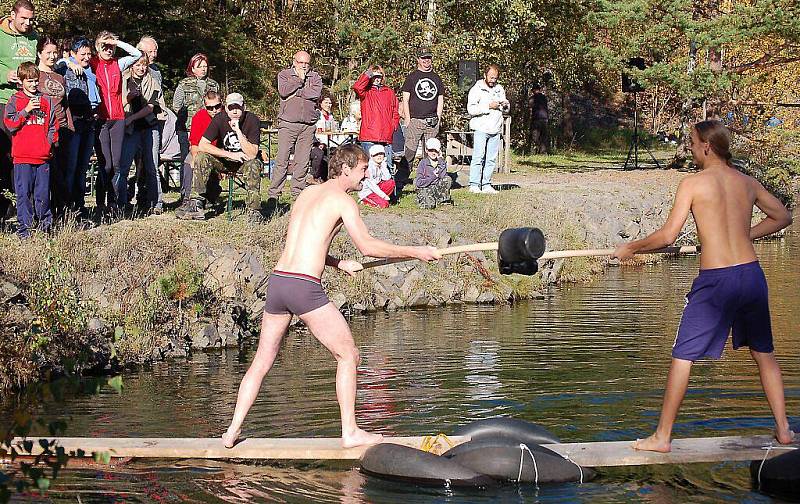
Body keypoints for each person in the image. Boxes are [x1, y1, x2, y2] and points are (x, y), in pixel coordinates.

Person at [221, 144, 440, 449]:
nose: (366, 175)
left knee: (261, 361)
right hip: (303, 288)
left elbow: (306, 243)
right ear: (346, 169)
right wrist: (416, 252)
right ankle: (350, 432)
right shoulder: (344, 201)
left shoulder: (308, 194)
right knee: (348, 355)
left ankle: (231, 431)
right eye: (363, 169)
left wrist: (337, 263)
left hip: (279, 281)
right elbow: (367, 245)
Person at [612, 121, 795, 453]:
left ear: (707, 146)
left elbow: (668, 236)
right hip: (751, 275)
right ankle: (784, 430)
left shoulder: (693, 184)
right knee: (764, 354)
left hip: (717, 281)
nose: (691, 149)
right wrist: (745, 235)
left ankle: (662, 437)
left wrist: (632, 248)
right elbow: (783, 217)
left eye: (693, 144)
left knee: (683, 355)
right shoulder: (747, 182)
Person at [182, 92, 262, 221]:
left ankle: (254, 210)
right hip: (224, 160)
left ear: (244, 107)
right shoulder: (219, 118)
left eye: (238, 107)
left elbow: (252, 153)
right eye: (231, 108)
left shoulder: (252, 120)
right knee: (201, 157)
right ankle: (196, 204)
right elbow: (202, 145)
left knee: (254, 164)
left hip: (245, 161)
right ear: (226, 108)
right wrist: (230, 154)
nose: (235, 111)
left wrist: (238, 131)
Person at [90, 31, 142, 214]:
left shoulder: (118, 64)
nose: (108, 50)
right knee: (106, 164)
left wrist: (117, 42)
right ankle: (100, 201)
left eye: (111, 47)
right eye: (104, 46)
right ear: (97, 47)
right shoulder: (93, 63)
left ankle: (112, 201)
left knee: (117, 163)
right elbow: (71, 60)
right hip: (101, 119)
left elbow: (137, 54)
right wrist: (100, 43)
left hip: (118, 118)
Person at [4, 62, 56, 238]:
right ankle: (24, 231)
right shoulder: (15, 100)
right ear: (21, 81)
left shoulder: (46, 100)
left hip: (42, 157)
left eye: (36, 81)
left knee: (42, 195)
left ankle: (45, 229)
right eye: (29, 81)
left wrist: (48, 144)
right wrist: (26, 111)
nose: (33, 85)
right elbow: (10, 124)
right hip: (22, 157)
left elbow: (52, 126)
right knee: (23, 195)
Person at [268, 50, 322, 206]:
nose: (304, 66)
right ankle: (274, 193)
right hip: (288, 123)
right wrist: (299, 80)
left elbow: (315, 93)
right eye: (301, 62)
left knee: (303, 160)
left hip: (308, 125)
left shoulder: (315, 77)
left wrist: (298, 92)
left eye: (306, 63)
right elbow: (283, 91)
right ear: (294, 61)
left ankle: (297, 192)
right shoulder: (284, 75)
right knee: (282, 159)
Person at [0, 0, 37, 220]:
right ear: (12, 15)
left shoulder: (33, 37)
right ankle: (3, 208)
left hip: (28, 103)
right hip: (4, 101)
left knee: (23, 156)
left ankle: (23, 206)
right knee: (4, 155)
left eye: (31, 19)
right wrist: (3, 76)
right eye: (23, 18)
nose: (27, 22)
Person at [118, 53, 167, 213]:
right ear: (132, 65)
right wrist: (128, 101)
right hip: (129, 130)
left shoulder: (152, 83)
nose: (141, 68)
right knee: (124, 167)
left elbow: (150, 107)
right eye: (138, 64)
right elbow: (118, 102)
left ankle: (157, 203)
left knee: (152, 166)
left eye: (144, 65)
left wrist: (131, 118)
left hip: (148, 127)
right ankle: (122, 202)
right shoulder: (122, 80)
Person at [59, 36, 99, 216]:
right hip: (72, 123)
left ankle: (80, 205)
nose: (86, 57)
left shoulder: (90, 70)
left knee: (82, 167)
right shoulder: (65, 68)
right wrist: (67, 60)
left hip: (88, 122)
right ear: (74, 53)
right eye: (82, 54)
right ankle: (66, 206)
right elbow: (54, 64)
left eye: (89, 54)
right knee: (71, 166)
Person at [173, 53, 219, 198]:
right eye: (200, 67)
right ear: (192, 68)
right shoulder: (184, 84)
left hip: (208, 130)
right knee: (187, 161)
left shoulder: (213, 85)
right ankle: (185, 194)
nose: (203, 69)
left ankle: (207, 193)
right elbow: (176, 105)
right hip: (186, 129)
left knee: (207, 160)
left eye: (205, 66)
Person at [36, 35, 72, 215]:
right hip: (43, 131)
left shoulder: (60, 77)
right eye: (48, 53)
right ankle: (42, 213)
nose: (52, 56)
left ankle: (62, 213)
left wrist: (69, 127)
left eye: (54, 52)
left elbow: (64, 104)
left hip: (63, 128)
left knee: (61, 174)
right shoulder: (34, 75)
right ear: (39, 53)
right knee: (46, 175)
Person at [400, 48, 444, 187]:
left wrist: (438, 117)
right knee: (409, 152)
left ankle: (429, 181)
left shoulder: (436, 78)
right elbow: (405, 99)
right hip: (415, 121)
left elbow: (440, 99)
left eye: (429, 58)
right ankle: (400, 182)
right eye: (423, 58)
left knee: (430, 153)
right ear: (418, 59)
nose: (426, 60)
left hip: (432, 122)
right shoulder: (412, 77)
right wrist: (407, 118)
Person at [175, 91, 222, 220]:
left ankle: (207, 195)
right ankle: (188, 199)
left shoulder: (226, 117)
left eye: (217, 106)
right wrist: (196, 160)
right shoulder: (199, 117)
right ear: (204, 106)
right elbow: (194, 144)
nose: (214, 110)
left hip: (221, 155)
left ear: (221, 104)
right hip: (202, 152)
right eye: (210, 108)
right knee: (190, 160)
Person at [467, 64, 508, 195]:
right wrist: (488, 106)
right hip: (480, 128)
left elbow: (505, 107)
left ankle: (486, 184)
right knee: (478, 157)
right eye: (491, 77)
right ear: (485, 75)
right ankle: (474, 184)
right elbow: (471, 109)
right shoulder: (476, 89)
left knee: (491, 159)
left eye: (495, 78)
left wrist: (505, 105)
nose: (493, 80)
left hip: (495, 129)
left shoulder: (499, 89)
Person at [352, 65, 399, 171]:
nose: (377, 79)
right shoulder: (365, 92)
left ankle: (389, 188)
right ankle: (370, 188)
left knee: (387, 167)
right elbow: (357, 87)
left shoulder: (389, 92)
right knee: (369, 167)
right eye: (374, 76)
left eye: (379, 76)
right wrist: (367, 74)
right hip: (369, 135)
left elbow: (395, 111)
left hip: (386, 135)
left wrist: (393, 126)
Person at [414, 137, 451, 209]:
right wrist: (432, 178)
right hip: (426, 187)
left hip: (436, 187)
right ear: (426, 150)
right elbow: (418, 182)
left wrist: (440, 159)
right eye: (431, 150)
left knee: (447, 179)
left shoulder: (441, 162)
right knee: (429, 206)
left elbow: (443, 176)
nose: (433, 153)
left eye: (436, 151)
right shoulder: (423, 163)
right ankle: (423, 199)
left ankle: (443, 200)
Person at [309, 94, 338, 183]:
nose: (328, 105)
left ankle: (331, 177)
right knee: (319, 153)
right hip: (317, 143)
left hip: (330, 142)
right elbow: (311, 129)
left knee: (337, 153)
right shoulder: (316, 115)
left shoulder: (331, 117)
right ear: (320, 103)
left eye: (330, 103)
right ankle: (314, 176)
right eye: (326, 102)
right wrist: (317, 143)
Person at [358, 144, 395, 208]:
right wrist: (383, 196)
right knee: (384, 205)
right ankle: (365, 200)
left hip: (376, 188)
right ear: (371, 156)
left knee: (391, 182)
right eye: (376, 155)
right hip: (368, 192)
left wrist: (383, 165)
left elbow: (387, 178)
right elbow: (372, 185)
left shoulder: (381, 164)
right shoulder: (369, 167)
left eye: (381, 154)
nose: (379, 156)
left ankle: (378, 199)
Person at [530, 85, 548, 154]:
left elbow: (530, 106)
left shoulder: (533, 98)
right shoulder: (544, 97)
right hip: (544, 118)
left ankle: (533, 151)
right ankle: (543, 152)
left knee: (535, 136)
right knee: (543, 136)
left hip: (536, 119)